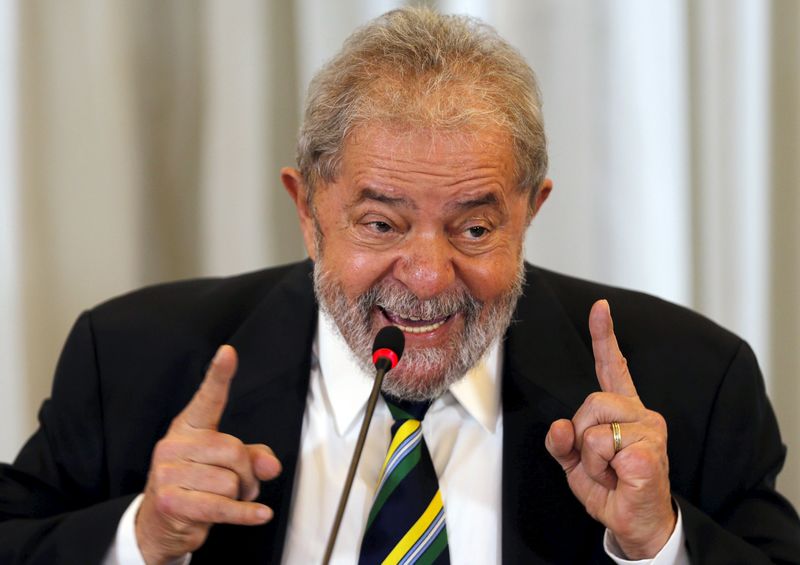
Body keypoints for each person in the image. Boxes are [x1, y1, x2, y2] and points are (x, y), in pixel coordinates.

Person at [1, 7, 798, 565]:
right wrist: (141, 537)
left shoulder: (691, 383)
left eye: (475, 228)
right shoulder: (133, 361)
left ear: (532, 209)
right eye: (380, 224)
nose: (426, 275)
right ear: (308, 210)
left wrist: (659, 542)